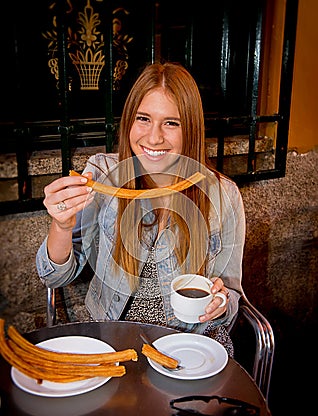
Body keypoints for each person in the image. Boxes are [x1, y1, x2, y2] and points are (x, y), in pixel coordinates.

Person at [36, 62, 246, 357]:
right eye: (143, 118)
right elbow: (53, 277)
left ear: (192, 130)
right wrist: (61, 225)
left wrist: (220, 304)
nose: (154, 137)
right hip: (113, 338)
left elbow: (232, 296)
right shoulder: (101, 173)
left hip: (191, 344)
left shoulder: (224, 195)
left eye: (171, 123)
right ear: (128, 122)